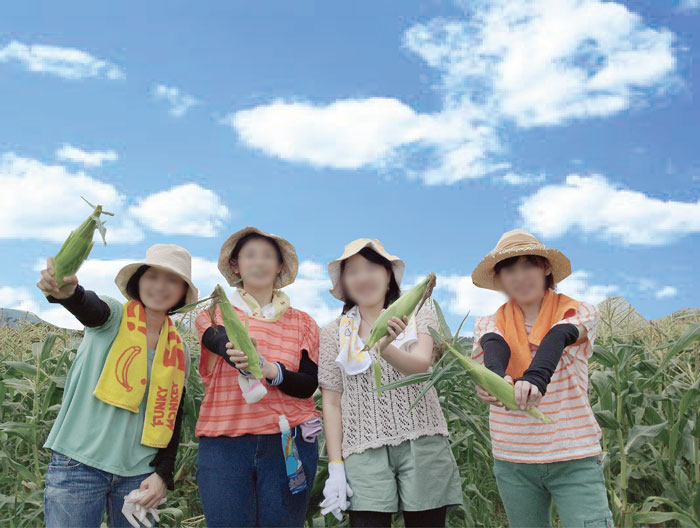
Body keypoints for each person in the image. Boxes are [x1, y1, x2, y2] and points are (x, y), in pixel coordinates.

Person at [38, 244, 197, 528]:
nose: (161, 286)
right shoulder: (113, 317)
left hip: (140, 475)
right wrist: (68, 293)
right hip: (78, 465)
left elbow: (174, 414)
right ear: (138, 281)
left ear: (182, 292)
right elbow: (88, 306)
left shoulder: (179, 349)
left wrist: (163, 474)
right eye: (153, 277)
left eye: (172, 280)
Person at [470, 229, 613, 528]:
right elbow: (493, 347)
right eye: (509, 269)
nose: (519, 277)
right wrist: (492, 382)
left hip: (573, 456)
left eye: (528, 265)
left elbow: (558, 336)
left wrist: (535, 378)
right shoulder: (488, 323)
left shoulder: (578, 311)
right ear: (499, 279)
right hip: (513, 459)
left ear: (545, 268)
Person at [318, 238, 463, 528]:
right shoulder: (333, 333)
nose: (363, 277)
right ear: (344, 282)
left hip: (422, 440)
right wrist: (335, 466)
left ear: (388, 275)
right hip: (362, 448)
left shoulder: (418, 311)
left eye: (372, 267)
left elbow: (421, 365)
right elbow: (332, 403)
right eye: (353, 271)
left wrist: (386, 348)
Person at [194, 227, 321, 527]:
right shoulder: (213, 313)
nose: (259, 263)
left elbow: (307, 385)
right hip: (224, 444)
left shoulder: (303, 322)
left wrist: (269, 370)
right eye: (250, 256)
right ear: (236, 266)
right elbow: (218, 339)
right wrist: (236, 353)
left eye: (268, 256)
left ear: (279, 267)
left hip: (288, 441)